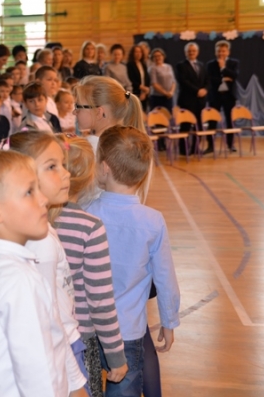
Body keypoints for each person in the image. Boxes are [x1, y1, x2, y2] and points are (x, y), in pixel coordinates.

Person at [0, 150, 87, 397]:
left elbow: (53, 333)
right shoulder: (18, 280)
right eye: (29, 192)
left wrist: (75, 383)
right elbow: (37, 374)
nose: (43, 199)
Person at [85, 126, 180, 396]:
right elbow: (165, 278)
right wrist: (169, 321)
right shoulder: (153, 221)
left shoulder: (86, 213)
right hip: (128, 332)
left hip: (89, 330)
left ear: (103, 168)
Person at [9, 132, 93, 395]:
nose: (67, 174)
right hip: (58, 351)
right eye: (52, 167)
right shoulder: (40, 241)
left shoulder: (34, 230)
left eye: (63, 165)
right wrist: (75, 380)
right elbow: (46, 319)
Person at [55, 134, 127, 396]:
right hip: (80, 341)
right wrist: (116, 354)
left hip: (42, 336)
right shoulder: (90, 227)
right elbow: (100, 300)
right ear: (89, 176)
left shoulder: (35, 221)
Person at [74, 76, 144, 149]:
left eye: (78, 106)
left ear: (98, 112)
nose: (74, 112)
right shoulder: (131, 145)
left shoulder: (85, 148)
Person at [174, 42, 208, 155]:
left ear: (197, 52)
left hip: (200, 101)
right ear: (185, 53)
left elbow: (207, 80)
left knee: (199, 126)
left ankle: (195, 148)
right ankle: (183, 150)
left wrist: (205, 90)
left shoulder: (201, 65)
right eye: (189, 51)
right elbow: (183, 81)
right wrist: (197, 91)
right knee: (185, 126)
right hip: (187, 100)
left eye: (193, 51)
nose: (191, 53)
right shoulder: (181, 65)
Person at [206, 40, 239, 153]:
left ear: (228, 52)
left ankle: (230, 144)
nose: (221, 53)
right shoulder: (210, 64)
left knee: (230, 120)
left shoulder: (234, 63)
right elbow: (210, 79)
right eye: (219, 51)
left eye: (223, 51)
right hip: (215, 96)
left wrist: (224, 68)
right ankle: (210, 146)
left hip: (229, 96)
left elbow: (235, 76)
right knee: (212, 121)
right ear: (215, 52)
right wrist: (224, 79)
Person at [127, 44, 150, 111]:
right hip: (135, 92)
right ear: (133, 53)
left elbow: (147, 78)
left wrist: (145, 92)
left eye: (140, 52)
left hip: (144, 93)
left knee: (144, 112)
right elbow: (131, 79)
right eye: (136, 52)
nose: (138, 54)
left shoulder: (143, 64)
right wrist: (142, 88)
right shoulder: (129, 65)